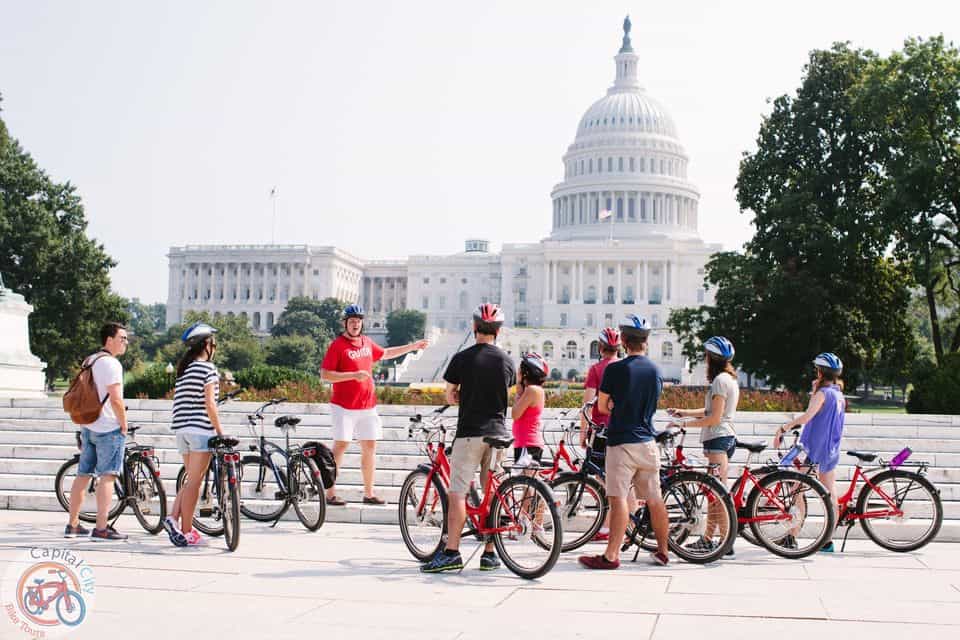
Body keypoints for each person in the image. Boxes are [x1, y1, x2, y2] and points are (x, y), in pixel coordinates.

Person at [421, 303, 515, 573]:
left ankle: (452, 552)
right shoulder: (507, 360)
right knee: (491, 491)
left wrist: (463, 395)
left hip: (470, 432)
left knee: (459, 493)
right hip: (498, 432)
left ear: (474, 328)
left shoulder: (462, 358)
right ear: (498, 331)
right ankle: (489, 554)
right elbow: (503, 392)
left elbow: (450, 395)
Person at [579, 313, 669, 569]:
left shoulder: (616, 369)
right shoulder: (655, 370)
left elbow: (604, 407)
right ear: (646, 341)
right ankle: (663, 550)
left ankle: (611, 556)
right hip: (647, 441)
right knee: (654, 499)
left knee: (618, 498)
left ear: (625, 341)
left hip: (621, 441)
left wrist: (615, 403)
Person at [320, 304, 428, 505]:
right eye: (351, 321)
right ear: (345, 323)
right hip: (343, 407)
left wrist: (412, 347)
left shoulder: (367, 343)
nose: (355, 324)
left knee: (370, 446)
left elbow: (386, 353)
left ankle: (369, 494)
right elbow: (326, 375)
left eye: (358, 321)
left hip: (367, 406)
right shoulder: (338, 345)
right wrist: (353, 375)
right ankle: (330, 493)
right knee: (341, 445)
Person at [667, 336, 739, 557]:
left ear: (711, 358)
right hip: (723, 438)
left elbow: (715, 418)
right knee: (717, 495)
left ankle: (718, 541)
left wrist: (684, 424)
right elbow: (711, 411)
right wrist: (684, 412)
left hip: (718, 438)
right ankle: (717, 541)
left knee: (717, 495)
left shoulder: (719, 381)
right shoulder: (729, 379)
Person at [772, 352, 846, 552]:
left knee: (797, 489)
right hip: (830, 448)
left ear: (820, 371)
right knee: (830, 494)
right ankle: (828, 540)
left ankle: (792, 536)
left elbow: (807, 417)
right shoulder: (838, 394)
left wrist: (783, 428)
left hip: (815, 447)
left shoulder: (823, 394)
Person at [65, 322, 130, 541]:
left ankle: (73, 524)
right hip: (107, 427)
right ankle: (102, 527)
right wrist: (124, 424)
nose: (125, 343)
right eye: (122, 338)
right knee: (108, 476)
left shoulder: (90, 360)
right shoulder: (112, 364)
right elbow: (116, 398)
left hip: (88, 425)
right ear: (109, 339)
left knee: (83, 475)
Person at [163, 322, 224, 547]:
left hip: (182, 430)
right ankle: (187, 531)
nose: (215, 347)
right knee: (194, 483)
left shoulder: (184, 369)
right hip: (200, 430)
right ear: (206, 345)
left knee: (190, 480)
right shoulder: (208, 369)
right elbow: (210, 403)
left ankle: (172, 517)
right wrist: (220, 430)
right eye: (214, 343)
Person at [581, 327, 621, 541]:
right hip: (621, 429)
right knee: (615, 479)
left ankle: (606, 526)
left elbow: (588, 403)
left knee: (601, 479)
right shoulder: (624, 368)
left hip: (600, 430)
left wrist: (583, 431)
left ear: (601, 347)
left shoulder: (596, 369)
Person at [512, 352, 548, 466]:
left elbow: (515, 414)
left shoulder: (531, 390)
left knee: (524, 483)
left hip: (527, 444)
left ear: (526, 373)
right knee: (525, 482)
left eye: (520, 370)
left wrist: (518, 381)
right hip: (527, 443)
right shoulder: (536, 389)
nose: (518, 372)